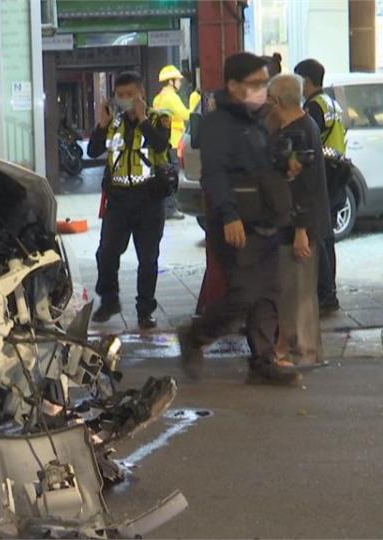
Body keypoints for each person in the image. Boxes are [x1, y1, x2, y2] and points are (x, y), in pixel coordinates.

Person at [179, 52, 299, 385]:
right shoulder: (219, 125)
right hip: (236, 224)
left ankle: (262, 361)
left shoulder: (258, 120)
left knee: (268, 293)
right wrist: (229, 216)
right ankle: (196, 335)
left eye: (265, 83)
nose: (263, 89)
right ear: (233, 86)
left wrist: (284, 163)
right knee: (244, 293)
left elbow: (262, 165)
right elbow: (214, 174)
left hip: (265, 222)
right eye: (256, 83)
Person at [87, 71, 172, 329]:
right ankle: (109, 300)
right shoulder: (113, 123)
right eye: (120, 95)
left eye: (130, 95)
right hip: (118, 201)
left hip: (149, 200)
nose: (125, 100)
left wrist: (143, 119)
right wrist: (101, 124)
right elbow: (92, 151)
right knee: (106, 254)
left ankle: (145, 310)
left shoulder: (160, 119)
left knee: (148, 259)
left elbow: (160, 146)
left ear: (142, 94)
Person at [267, 74, 333, 367]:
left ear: (278, 101)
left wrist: (300, 231)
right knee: (292, 292)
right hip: (296, 223)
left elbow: (302, 186)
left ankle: (301, 353)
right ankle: (288, 348)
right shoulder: (303, 127)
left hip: (298, 225)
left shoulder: (298, 134)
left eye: (270, 100)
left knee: (298, 294)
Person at [294, 58, 348, 315]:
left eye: (298, 81)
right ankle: (330, 291)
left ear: (306, 81)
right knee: (328, 237)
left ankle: (326, 294)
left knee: (319, 236)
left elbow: (307, 140)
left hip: (323, 174)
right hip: (338, 172)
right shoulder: (332, 103)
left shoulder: (313, 107)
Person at [152, 65, 188, 221]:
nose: (180, 82)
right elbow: (185, 114)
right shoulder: (171, 97)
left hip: (164, 141)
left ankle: (168, 207)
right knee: (173, 176)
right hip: (173, 141)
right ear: (171, 81)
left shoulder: (158, 98)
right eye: (178, 80)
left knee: (165, 174)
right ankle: (171, 208)